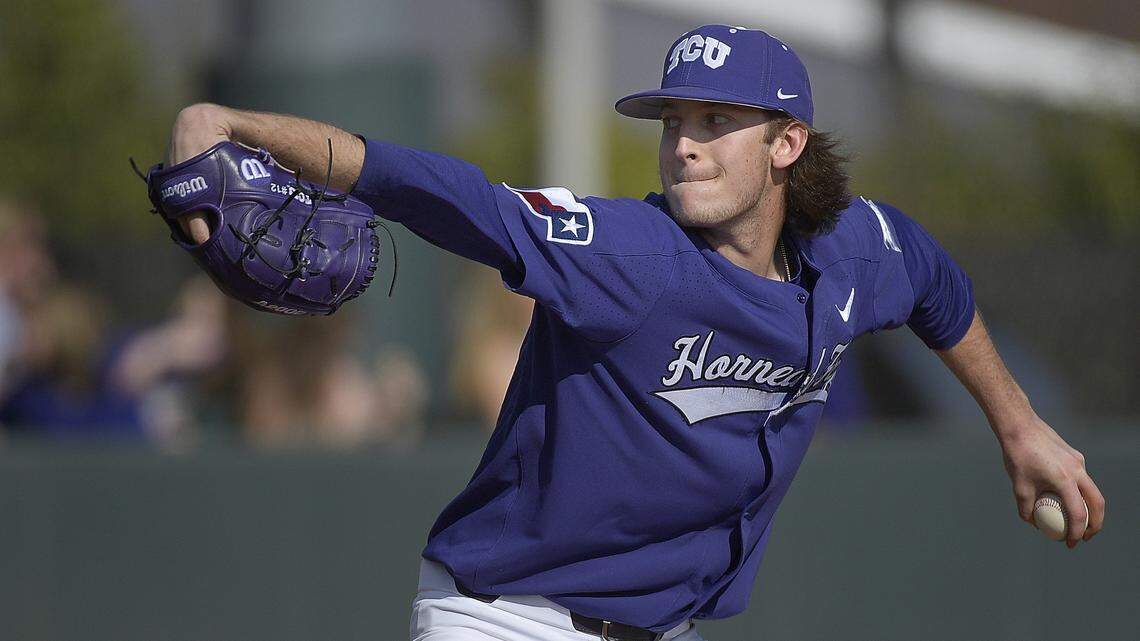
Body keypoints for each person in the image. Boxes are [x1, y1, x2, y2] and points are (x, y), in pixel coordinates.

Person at [163, 24, 1104, 641]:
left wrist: (1018, 426)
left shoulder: (857, 251)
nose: (684, 141)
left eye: (716, 120)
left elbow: (938, 285)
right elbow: (441, 192)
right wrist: (230, 120)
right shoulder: (628, 252)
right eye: (673, 120)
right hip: (510, 619)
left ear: (786, 145)